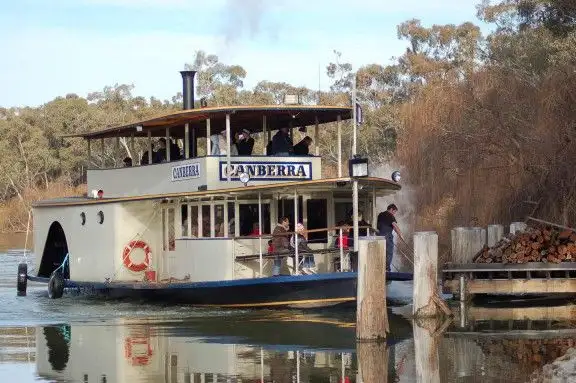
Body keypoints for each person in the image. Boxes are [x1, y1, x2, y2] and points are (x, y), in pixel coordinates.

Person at [377, 204, 405, 272]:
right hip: (387, 235)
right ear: (391, 209)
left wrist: (397, 232)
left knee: (382, 252)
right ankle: (387, 269)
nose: (394, 213)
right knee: (389, 252)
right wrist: (401, 235)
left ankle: (380, 267)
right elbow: (394, 225)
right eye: (394, 211)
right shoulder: (390, 215)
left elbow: (392, 227)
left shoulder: (380, 214)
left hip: (379, 235)